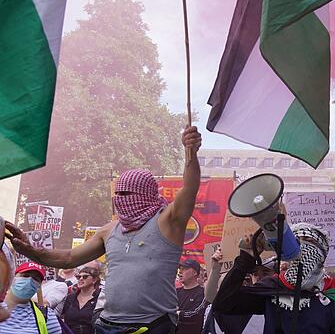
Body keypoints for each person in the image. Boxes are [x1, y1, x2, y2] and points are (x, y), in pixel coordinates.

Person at [5, 126, 202, 334]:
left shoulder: (167, 221)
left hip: (152, 325)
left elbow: (189, 188)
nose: (119, 200)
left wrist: (190, 151)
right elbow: (68, 258)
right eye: (117, 194)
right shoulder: (109, 230)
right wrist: (30, 249)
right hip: (107, 325)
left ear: (145, 194)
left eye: (126, 194)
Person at [212, 224, 335, 334]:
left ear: (321, 255)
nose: (303, 254)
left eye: (308, 242)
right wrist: (246, 258)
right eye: (297, 242)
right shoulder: (272, 288)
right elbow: (224, 303)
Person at [0, 262, 63, 333]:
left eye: (35, 279)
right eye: (25, 276)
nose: (29, 281)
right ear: (13, 278)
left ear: (39, 286)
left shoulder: (47, 315)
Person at [60, 266, 101, 334]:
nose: (81, 279)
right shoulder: (70, 298)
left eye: (85, 276)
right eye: (78, 277)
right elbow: (64, 319)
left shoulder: (100, 298)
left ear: (94, 280)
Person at [177, 259, 207, 334]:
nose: (180, 272)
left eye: (184, 269)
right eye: (180, 269)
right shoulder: (175, 292)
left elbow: (197, 313)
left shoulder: (203, 293)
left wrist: (178, 313)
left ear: (194, 272)